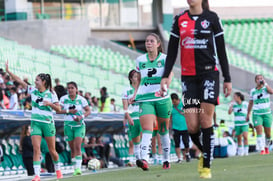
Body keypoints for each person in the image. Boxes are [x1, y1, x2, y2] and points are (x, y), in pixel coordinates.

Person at [160, 0, 232, 178]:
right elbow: (172, 51)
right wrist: (165, 75)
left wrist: (227, 78)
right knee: (191, 126)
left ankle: (206, 165)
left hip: (209, 75)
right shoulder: (179, 20)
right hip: (189, 78)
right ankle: (205, 151)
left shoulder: (212, 18)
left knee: (205, 118)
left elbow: (221, 50)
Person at [5, 61, 63, 181]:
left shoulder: (51, 93)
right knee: (36, 149)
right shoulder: (32, 90)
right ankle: (37, 175)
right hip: (35, 123)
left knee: (52, 151)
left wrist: (50, 104)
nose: (35, 82)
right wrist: (9, 72)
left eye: (37, 80)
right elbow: (20, 81)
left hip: (48, 124)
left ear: (43, 82)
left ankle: (58, 170)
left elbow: (58, 110)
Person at [130, 33, 173, 170]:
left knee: (163, 130)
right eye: (147, 41)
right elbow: (138, 79)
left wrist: (165, 87)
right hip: (145, 98)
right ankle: (144, 159)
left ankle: (166, 159)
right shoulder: (140, 60)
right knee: (147, 129)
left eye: (151, 41)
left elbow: (170, 75)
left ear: (158, 44)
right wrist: (135, 94)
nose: (148, 43)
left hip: (162, 98)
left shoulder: (166, 59)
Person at [58, 81, 91, 176]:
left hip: (79, 126)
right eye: (68, 88)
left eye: (72, 88)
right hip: (68, 126)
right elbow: (58, 111)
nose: (70, 90)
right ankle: (74, 167)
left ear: (76, 89)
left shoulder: (81, 100)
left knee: (77, 146)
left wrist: (81, 117)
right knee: (72, 148)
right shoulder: (64, 99)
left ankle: (78, 168)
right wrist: (69, 111)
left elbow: (88, 111)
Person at [246, 74, 273, 155]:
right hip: (257, 114)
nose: (260, 80)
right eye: (258, 79)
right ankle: (261, 149)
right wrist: (248, 113)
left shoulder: (266, 88)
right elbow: (250, 103)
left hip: (267, 113)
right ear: (255, 81)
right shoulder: (253, 91)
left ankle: (266, 147)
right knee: (259, 130)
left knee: (268, 133)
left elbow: (271, 92)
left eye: (261, 78)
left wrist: (265, 83)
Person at [122, 69, 142, 166]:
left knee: (144, 137)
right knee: (134, 140)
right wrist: (128, 117)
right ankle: (134, 159)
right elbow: (125, 107)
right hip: (133, 117)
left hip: (143, 115)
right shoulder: (126, 90)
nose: (137, 78)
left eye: (138, 76)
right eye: (134, 76)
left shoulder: (142, 88)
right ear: (130, 78)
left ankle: (144, 158)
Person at [170, 93, 191, 163]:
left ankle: (187, 154)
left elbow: (189, 112)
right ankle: (179, 158)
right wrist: (169, 128)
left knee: (186, 143)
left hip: (185, 127)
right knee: (177, 143)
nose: (173, 103)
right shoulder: (171, 107)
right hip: (175, 128)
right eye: (172, 102)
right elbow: (170, 117)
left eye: (174, 101)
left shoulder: (183, 104)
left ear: (177, 99)